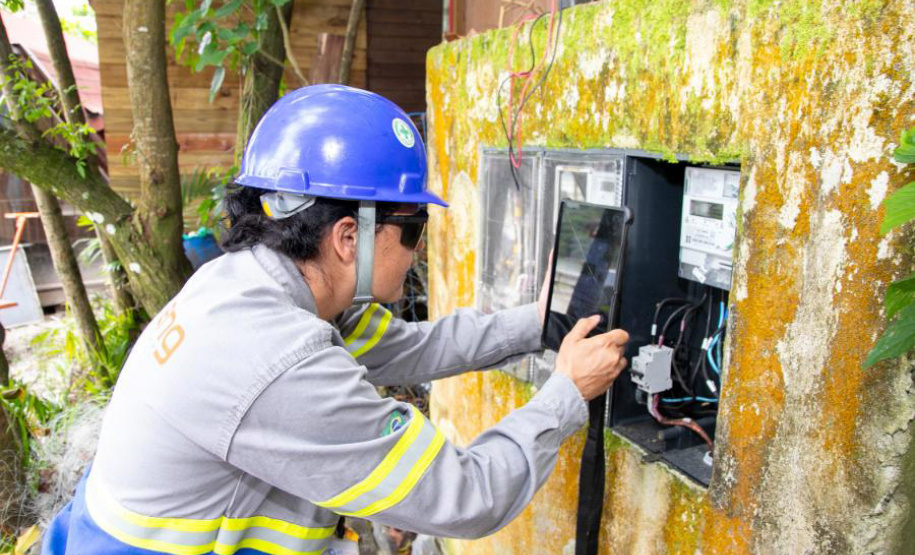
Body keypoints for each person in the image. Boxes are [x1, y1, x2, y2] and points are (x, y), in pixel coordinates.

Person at [42, 85, 629, 555]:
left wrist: (544, 319)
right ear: (350, 237)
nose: (420, 250)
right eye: (414, 229)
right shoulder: (278, 360)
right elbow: (467, 496)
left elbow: (416, 349)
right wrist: (566, 393)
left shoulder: (257, 285)